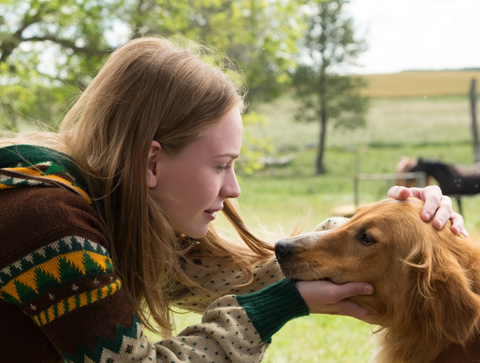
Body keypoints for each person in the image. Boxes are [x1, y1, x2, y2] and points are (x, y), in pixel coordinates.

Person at [0, 36, 466, 363]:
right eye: (221, 165)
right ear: (152, 162)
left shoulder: (105, 199)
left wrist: (400, 228)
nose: (233, 188)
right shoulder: (50, 225)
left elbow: (232, 274)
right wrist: (278, 306)